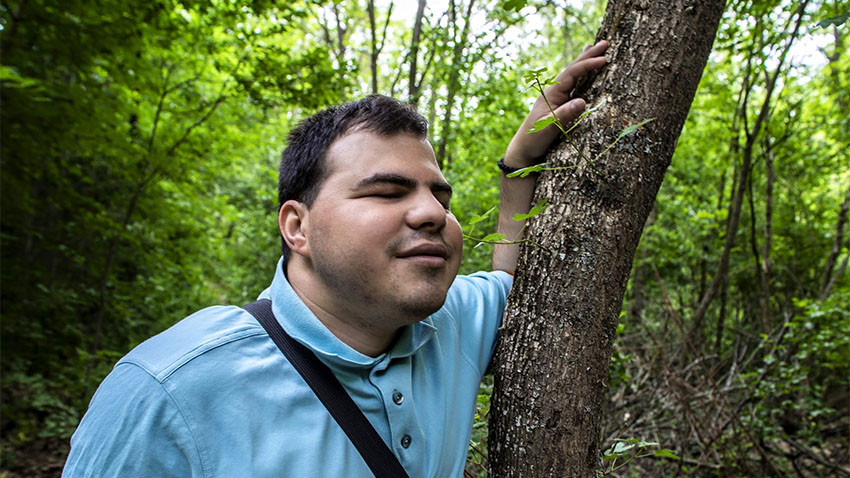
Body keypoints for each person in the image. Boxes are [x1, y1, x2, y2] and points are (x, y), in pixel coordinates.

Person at [62, 41, 609, 477]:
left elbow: (526, 289)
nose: (432, 214)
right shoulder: (170, 390)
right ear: (297, 227)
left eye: (442, 197)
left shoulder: (448, 326)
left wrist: (517, 171)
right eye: (387, 192)